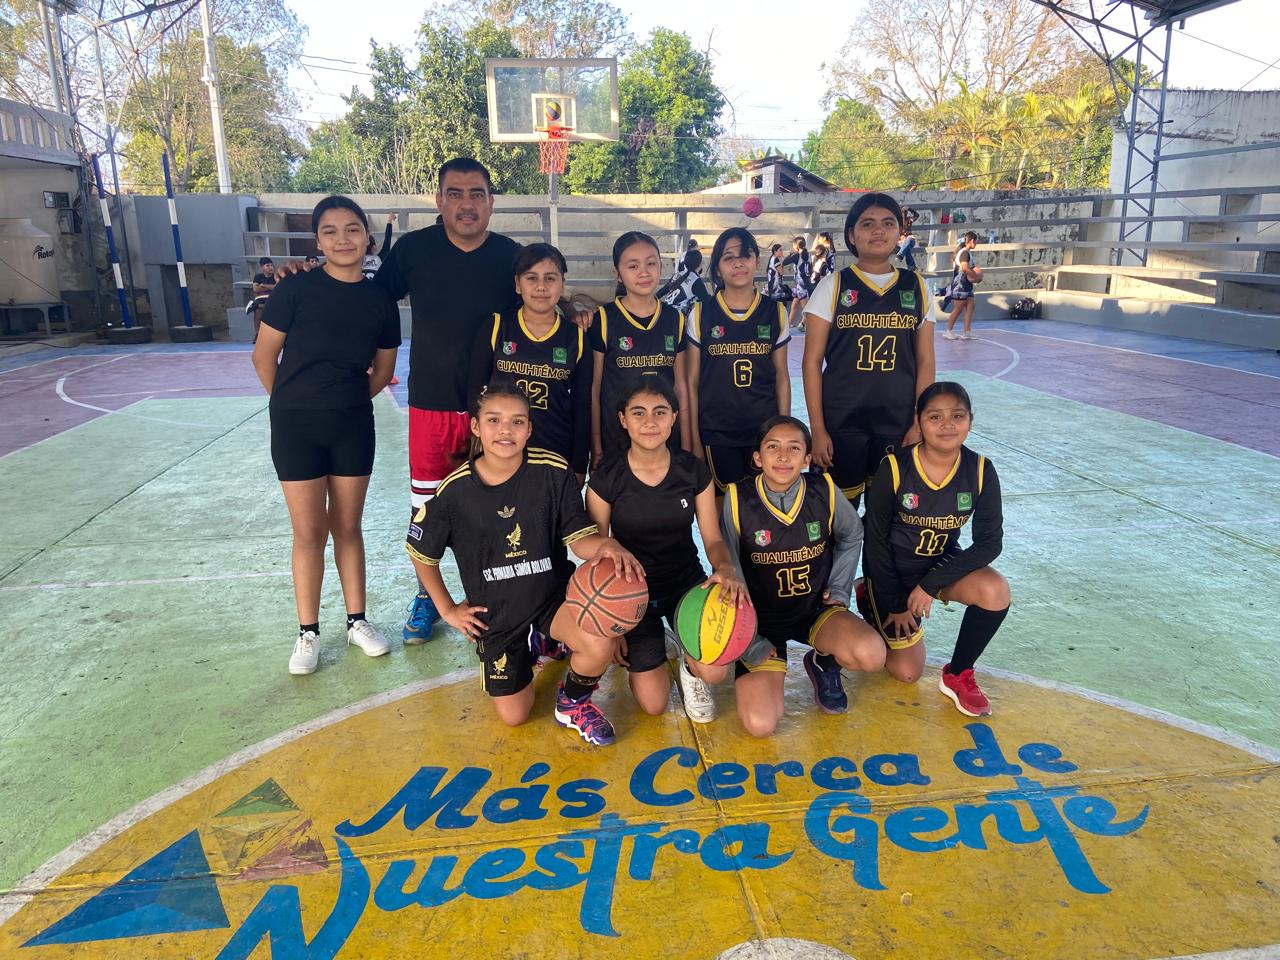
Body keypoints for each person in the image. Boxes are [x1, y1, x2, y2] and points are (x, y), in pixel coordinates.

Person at [405, 383, 643, 744]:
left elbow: (579, 540)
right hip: (497, 615)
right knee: (515, 716)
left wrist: (606, 545)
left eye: (517, 421)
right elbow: (421, 551)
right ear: (475, 426)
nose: (506, 430)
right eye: (494, 420)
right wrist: (448, 609)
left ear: (529, 429)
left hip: (552, 599)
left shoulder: (552, 472)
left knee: (599, 642)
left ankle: (572, 703)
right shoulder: (454, 491)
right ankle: (537, 643)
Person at [251, 196, 401, 676]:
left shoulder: (380, 300)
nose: (342, 239)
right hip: (295, 427)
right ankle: (308, 632)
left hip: (352, 425)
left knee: (348, 527)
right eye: (330, 231)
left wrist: (345, 399)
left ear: (367, 238)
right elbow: (263, 356)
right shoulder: (294, 289)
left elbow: (383, 371)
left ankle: (357, 621)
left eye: (352, 229)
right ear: (317, 241)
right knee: (309, 532)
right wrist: (293, 401)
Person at [586, 376, 748, 722]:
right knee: (654, 703)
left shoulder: (693, 471)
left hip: (684, 583)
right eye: (638, 412)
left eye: (660, 412)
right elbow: (597, 557)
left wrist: (725, 568)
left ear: (674, 417)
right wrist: (611, 625)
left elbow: (712, 540)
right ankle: (659, 639)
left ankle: (689, 667)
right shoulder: (605, 479)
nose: (650, 422)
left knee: (714, 671)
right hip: (631, 593)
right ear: (623, 419)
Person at [720, 417, 887, 734]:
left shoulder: (823, 489)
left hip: (813, 610)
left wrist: (839, 588)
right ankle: (769, 660)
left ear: (807, 458)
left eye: (794, 448)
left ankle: (823, 661)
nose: (783, 456)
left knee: (872, 655)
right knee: (760, 724)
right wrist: (749, 641)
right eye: (773, 447)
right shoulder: (738, 497)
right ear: (758, 457)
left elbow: (853, 534)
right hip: (761, 621)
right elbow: (730, 568)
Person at [857, 382, 1010, 717]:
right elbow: (875, 540)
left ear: (970, 420)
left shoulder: (980, 470)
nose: (947, 425)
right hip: (892, 572)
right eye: (935, 417)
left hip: (937, 567)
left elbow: (989, 542)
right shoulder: (895, 467)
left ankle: (958, 673)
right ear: (919, 421)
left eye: (957, 416)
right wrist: (896, 603)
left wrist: (930, 584)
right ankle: (870, 599)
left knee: (995, 590)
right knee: (907, 672)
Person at [802, 192, 936, 507]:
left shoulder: (916, 287)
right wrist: (817, 429)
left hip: (897, 422)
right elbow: (811, 363)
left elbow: (926, 360)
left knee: (887, 517)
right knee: (837, 517)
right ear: (852, 234)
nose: (878, 230)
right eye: (867, 223)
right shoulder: (833, 286)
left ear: (899, 232)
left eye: (888, 223)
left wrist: (919, 421)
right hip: (841, 422)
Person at [467, 243, 591, 480]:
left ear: (562, 284)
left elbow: (582, 406)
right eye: (531, 278)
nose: (541, 286)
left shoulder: (576, 337)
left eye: (550, 278)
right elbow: (475, 389)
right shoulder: (496, 326)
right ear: (517, 284)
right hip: (501, 450)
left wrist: (579, 464)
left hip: (555, 453)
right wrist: (481, 441)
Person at [686, 227, 791, 497]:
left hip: (763, 431)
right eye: (729, 257)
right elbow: (692, 382)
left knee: (762, 509)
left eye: (745, 255)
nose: (738, 263)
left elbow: (781, 376)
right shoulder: (701, 313)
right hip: (717, 432)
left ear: (757, 260)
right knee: (724, 510)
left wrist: (784, 430)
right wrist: (695, 439)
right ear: (717, 268)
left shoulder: (775, 312)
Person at [591, 231, 691, 464]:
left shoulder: (675, 319)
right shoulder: (603, 320)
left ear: (661, 266)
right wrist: (596, 446)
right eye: (633, 266)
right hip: (617, 441)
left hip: (665, 439)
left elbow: (681, 387)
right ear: (618, 274)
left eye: (651, 263)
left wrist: (686, 446)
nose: (644, 272)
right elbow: (594, 389)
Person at [944, 231, 981, 341]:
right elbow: (964, 268)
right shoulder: (964, 253)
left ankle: (967, 332)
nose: (976, 243)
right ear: (972, 241)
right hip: (960, 283)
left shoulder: (966, 252)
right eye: (976, 241)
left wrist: (974, 278)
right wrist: (975, 276)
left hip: (966, 283)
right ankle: (948, 331)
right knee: (958, 308)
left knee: (970, 306)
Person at [657, 248, 710, 316]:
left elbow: (661, 292)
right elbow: (706, 301)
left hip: (664, 311)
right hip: (676, 317)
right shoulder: (696, 281)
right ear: (700, 263)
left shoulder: (678, 274)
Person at [782, 237, 812, 330]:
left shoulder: (797, 255)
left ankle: (807, 325)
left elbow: (784, 262)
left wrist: (791, 253)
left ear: (796, 246)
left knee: (805, 308)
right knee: (794, 306)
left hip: (801, 284)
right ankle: (788, 325)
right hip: (804, 282)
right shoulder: (808, 254)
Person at [246, 257, 276, 341]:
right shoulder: (258, 277)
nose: (271, 267)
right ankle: (258, 334)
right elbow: (255, 289)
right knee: (257, 311)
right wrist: (269, 287)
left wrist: (263, 285)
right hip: (260, 298)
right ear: (262, 267)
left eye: (271, 265)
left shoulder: (276, 276)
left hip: (272, 298)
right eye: (268, 265)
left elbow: (276, 288)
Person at [362, 212, 397, 281]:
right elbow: (387, 239)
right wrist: (389, 220)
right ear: (374, 247)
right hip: (376, 287)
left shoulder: (356, 261)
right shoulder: (379, 259)